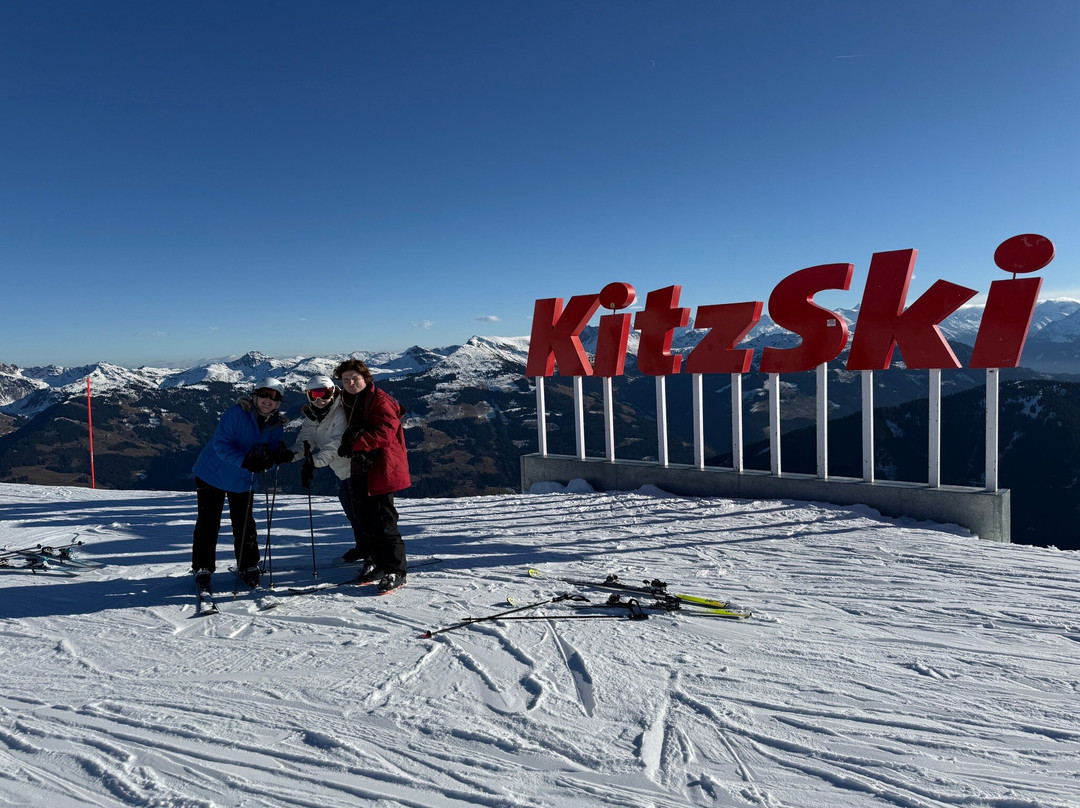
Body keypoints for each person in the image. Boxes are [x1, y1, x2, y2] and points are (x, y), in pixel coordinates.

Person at [191, 376, 293, 591]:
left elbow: (268, 455)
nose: (268, 400)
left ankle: (248, 565)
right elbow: (221, 443)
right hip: (212, 473)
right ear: (255, 396)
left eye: (273, 396)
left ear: (279, 401)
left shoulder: (276, 425)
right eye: (263, 394)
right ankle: (202, 567)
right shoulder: (236, 413)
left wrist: (276, 459)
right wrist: (246, 461)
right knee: (209, 521)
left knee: (245, 523)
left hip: (243, 478)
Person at [335, 359, 411, 593]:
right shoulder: (349, 399)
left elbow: (386, 431)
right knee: (366, 519)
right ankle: (378, 563)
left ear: (366, 378)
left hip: (382, 468)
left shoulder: (380, 400)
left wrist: (355, 443)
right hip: (360, 468)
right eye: (345, 379)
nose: (350, 383)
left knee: (384, 521)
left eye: (354, 378)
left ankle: (396, 570)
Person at [291, 375, 366, 558]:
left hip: (357, 470)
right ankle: (364, 548)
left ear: (333, 393)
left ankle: (374, 554)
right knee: (351, 512)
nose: (319, 400)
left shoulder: (340, 413)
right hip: (343, 472)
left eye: (324, 394)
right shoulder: (312, 416)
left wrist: (312, 463)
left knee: (362, 515)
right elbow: (304, 442)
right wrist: (287, 455)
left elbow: (335, 446)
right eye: (314, 394)